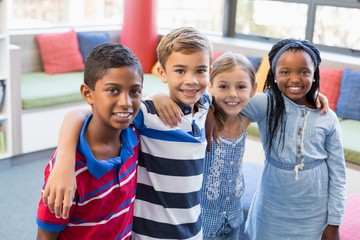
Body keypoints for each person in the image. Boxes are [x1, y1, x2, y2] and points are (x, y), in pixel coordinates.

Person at [40, 27, 213, 239]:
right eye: (180, 71)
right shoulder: (146, 113)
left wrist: (212, 117)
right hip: (150, 234)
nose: (192, 80)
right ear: (162, 73)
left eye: (200, 71)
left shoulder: (204, 105)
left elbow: (213, 95)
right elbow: (81, 114)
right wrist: (64, 159)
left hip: (192, 231)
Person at [36, 42, 143, 239]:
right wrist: (65, 158)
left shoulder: (135, 133)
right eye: (113, 90)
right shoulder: (68, 170)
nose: (126, 102)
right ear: (88, 94)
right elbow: (45, 236)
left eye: (134, 91)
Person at [242, 38, 346, 240]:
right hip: (271, 209)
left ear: (314, 74)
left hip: (314, 213)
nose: (295, 79)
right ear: (274, 75)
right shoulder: (266, 104)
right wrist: (161, 100)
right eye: (285, 72)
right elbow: (224, 99)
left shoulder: (328, 117)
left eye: (304, 72)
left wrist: (334, 221)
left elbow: (338, 174)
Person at [200, 52, 257, 240]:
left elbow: (282, 101)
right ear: (211, 86)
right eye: (223, 86)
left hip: (233, 217)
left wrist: (314, 96)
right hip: (203, 221)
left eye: (241, 87)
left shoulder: (245, 118)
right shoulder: (201, 118)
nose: (233, 94)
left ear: (253, 89)